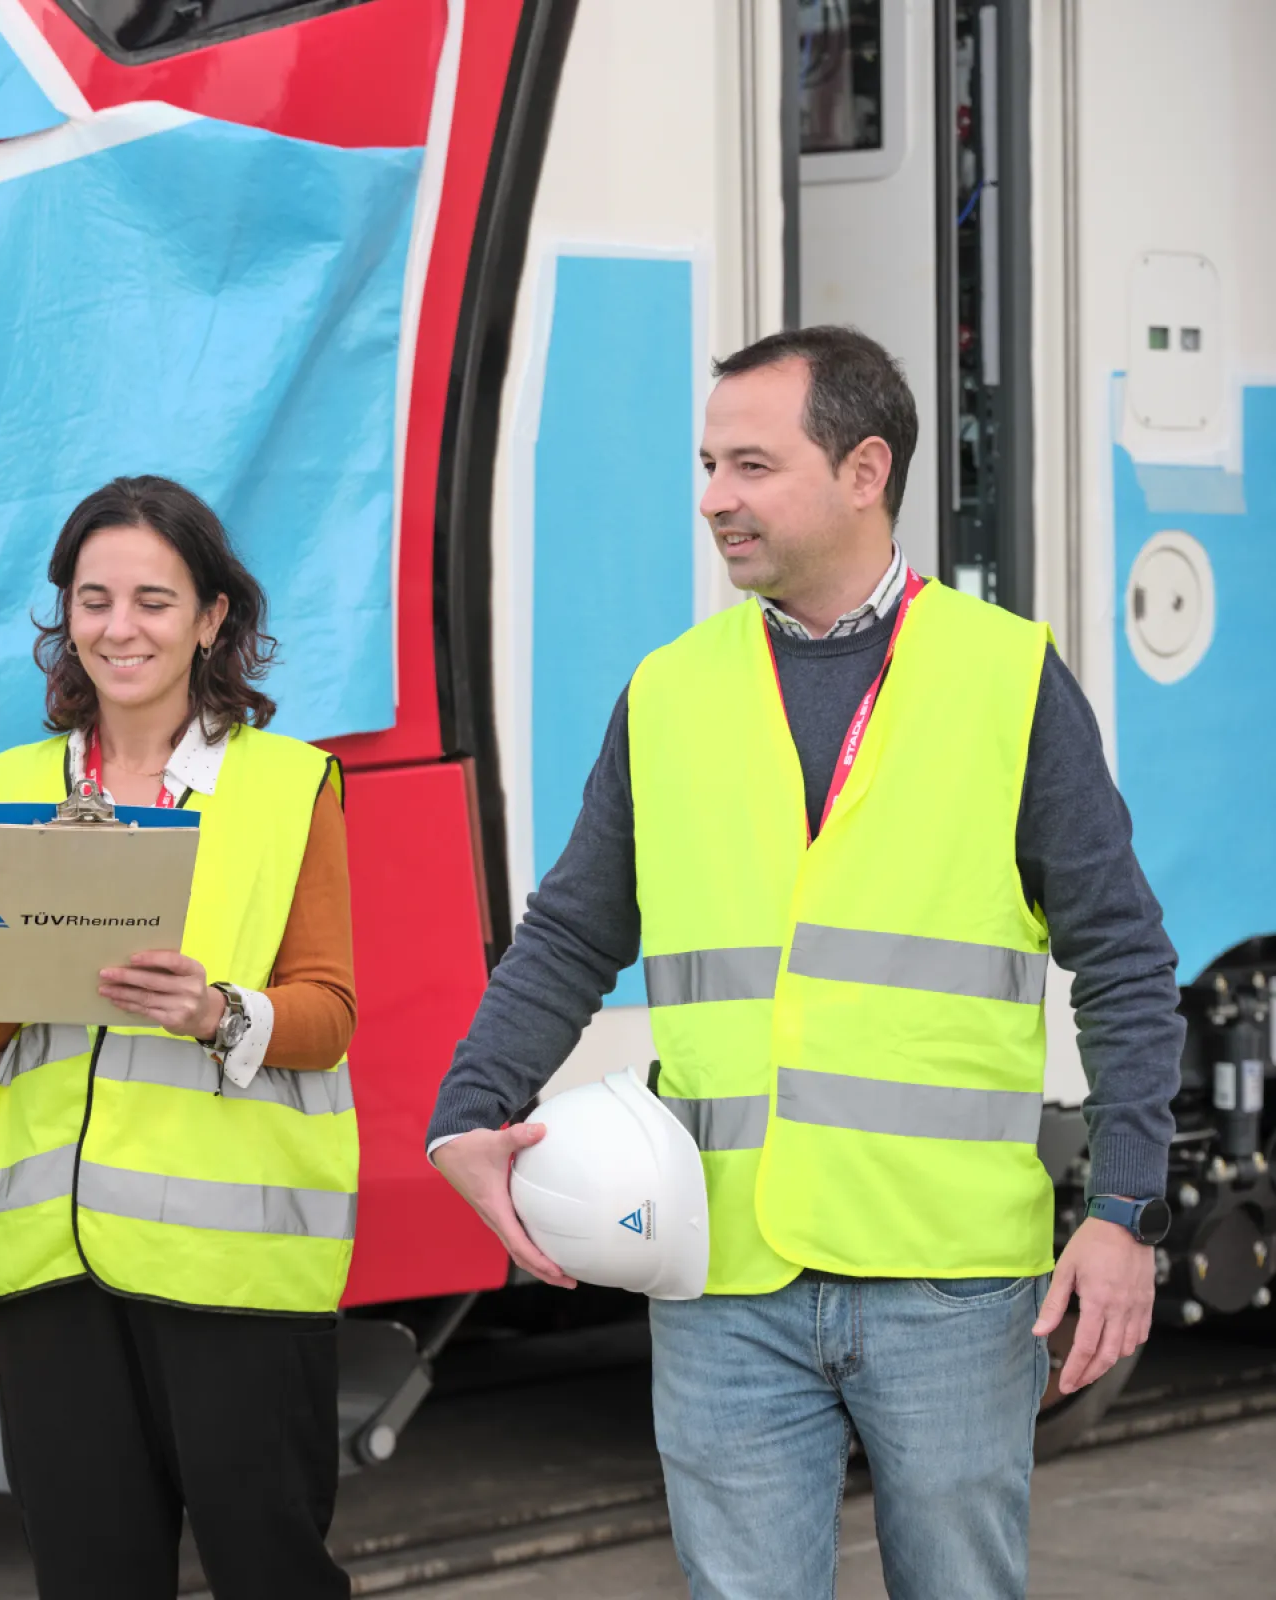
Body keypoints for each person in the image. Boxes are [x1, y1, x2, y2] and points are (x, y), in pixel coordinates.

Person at [427, 327, 1182, 1600]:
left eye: (752, 465)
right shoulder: (669, 692)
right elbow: (570, 931)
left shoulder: (1006, 681)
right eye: (709, 465)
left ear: (864, 470)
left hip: (945, 1279)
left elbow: (1123, 958)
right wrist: (468, 1108)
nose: (715, 497)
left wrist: (1124, 1209)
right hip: (721, 1272)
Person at [0, 475, 360, 1600]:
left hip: (232, 1268)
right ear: (65, 614)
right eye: (94, 598)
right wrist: (0, 974)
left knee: (271, 1572)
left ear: (215, 617)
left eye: (155, 601)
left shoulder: (286, 784)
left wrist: (218, 1010)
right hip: (50, 1267)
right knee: (88, 1578)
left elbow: (330, 1010)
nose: (120, 628)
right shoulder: (15, 784)